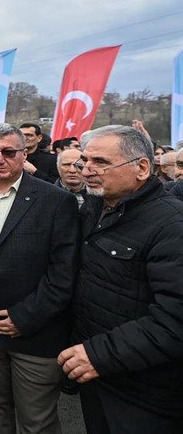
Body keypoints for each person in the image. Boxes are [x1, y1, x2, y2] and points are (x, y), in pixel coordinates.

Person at [0, 123, 79, 434]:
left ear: (24, 155)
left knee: (36, 420)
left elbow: (63, 272)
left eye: (8, 152)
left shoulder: (54, 200)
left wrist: (24, 317)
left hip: (35, 335)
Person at [58, 125, 183, 434]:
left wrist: (100, 354)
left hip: (147, 392)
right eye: (84, 161)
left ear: (141, 168)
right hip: (99, 378)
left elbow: (175, 320)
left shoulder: (173, 225)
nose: (86, 170)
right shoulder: (95, 207)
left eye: (100, 162)